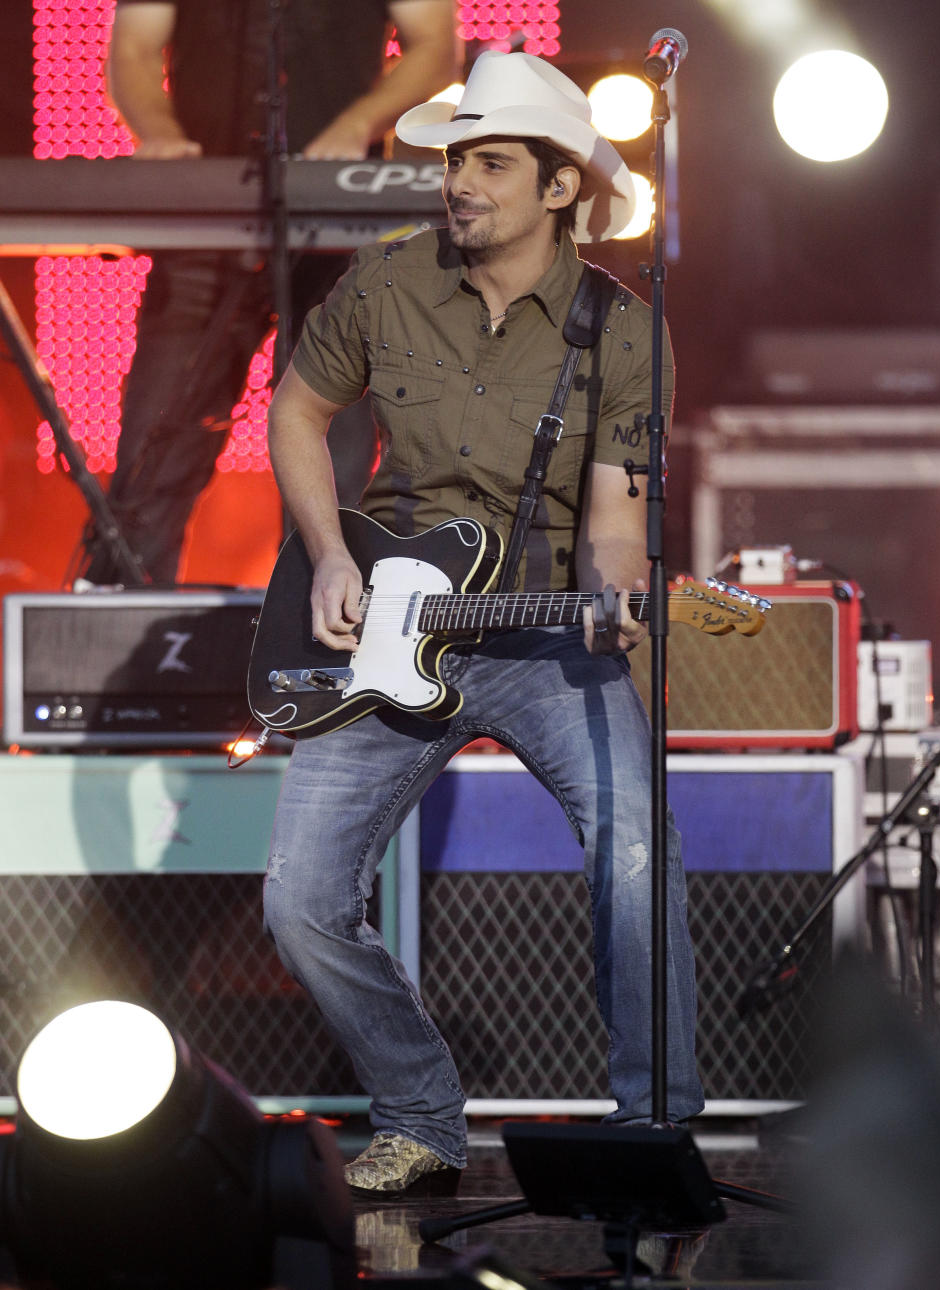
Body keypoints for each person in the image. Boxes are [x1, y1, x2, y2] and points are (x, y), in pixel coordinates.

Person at [263, 49, 704, 1197]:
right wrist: (323, 558)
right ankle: (420, 1114)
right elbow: (297, 411)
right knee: (300, 900)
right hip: (389, 631)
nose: (458, 180)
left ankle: (650, 1129)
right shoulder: (386, 284)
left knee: (642, 852)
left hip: (548, 637)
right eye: (456, 158)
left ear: (560, 187)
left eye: (490, 161)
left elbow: (616, 523)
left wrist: (614, 598)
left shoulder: (621, 327)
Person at [78, 0, 459, 585]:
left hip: (335, 221)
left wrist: (355, 127)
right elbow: (132, 44)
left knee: (335, 448)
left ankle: (324, 629)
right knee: (159, 439)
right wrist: (160, 135)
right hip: (203, 214)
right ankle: (125, 632)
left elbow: (435, 45)